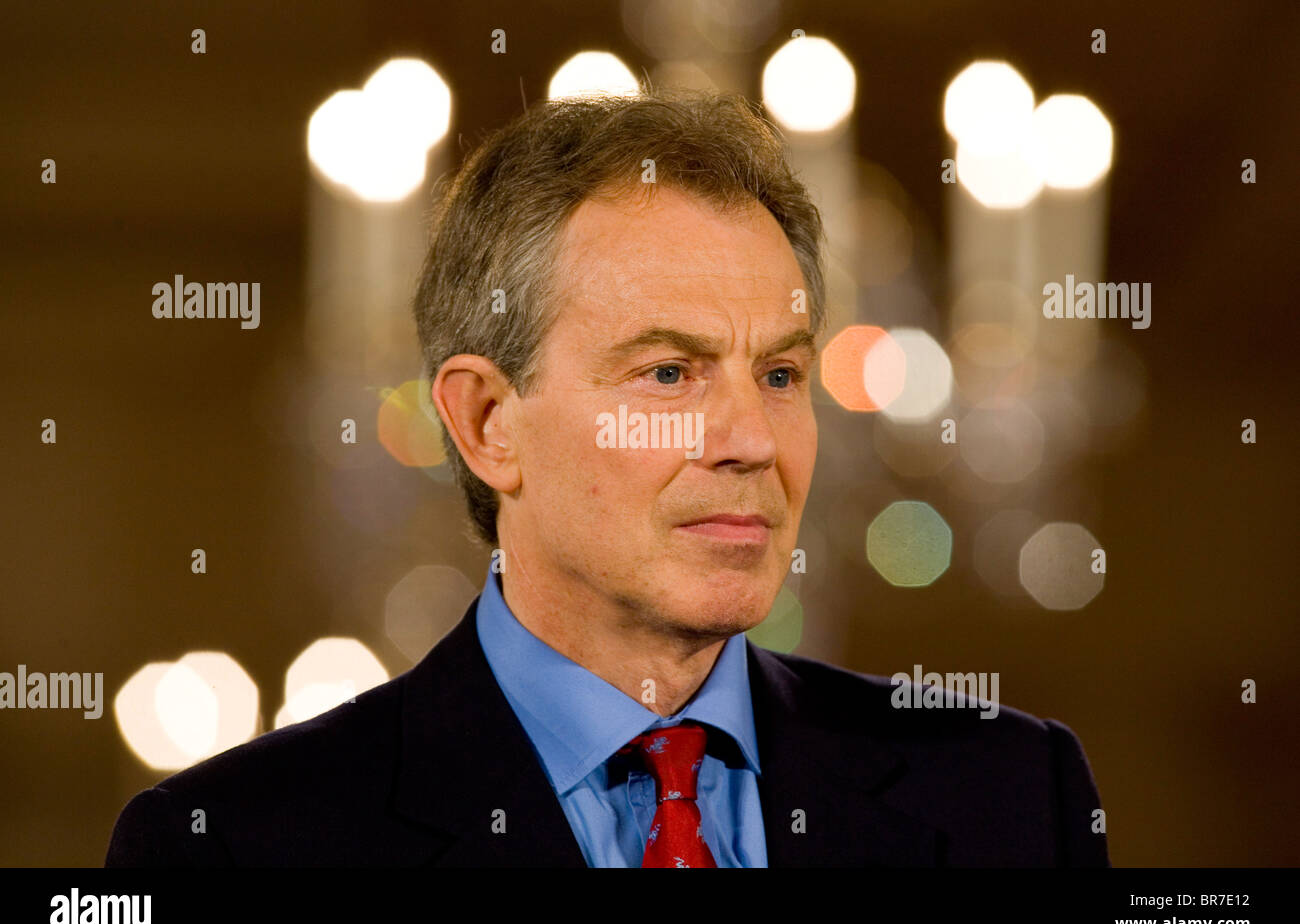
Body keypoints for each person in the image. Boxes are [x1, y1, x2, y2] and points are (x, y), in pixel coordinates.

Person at [106, 88, 1109, 867]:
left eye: (779, 374)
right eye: (668, 373)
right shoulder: (233, 846)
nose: (749, 440)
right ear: (488, 423)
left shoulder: (1011, 797)